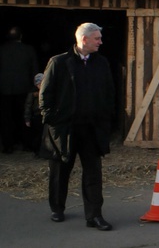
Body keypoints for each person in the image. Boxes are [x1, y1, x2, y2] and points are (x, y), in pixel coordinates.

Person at [39, 23, 115, 231]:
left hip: (91, 129)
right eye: (97, 38)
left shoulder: (101, 63)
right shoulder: (59, 62)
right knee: (60, 170)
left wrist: (106, 120)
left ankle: (94, 215)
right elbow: (45, 96)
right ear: (84, 39)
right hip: (65, 129)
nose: (101, 42)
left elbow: (109, 93)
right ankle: (57, 207)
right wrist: (53, 119)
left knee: (93, 172)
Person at [0, 26, 39, 153]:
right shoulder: (28, 50)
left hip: (4, 89)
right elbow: (34, 69)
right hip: (24, 89)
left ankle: (8, 146)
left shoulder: (2, 50)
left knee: (6, 118)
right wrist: (34, 88)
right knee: (25, 116)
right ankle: (26, 143)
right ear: (21, 37)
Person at [24, 73, 44, 157]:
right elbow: (28, 106)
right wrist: (27, 119)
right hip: (36, 116)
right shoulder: (32, 93)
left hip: (44, 115)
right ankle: (37, 151)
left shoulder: (47, 91)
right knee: (37, 135)